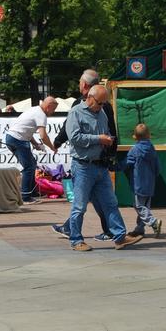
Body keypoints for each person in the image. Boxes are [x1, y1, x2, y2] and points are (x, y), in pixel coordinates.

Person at [66, 85, 142, 252]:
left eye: (104, 104)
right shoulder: (75, 112)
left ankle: (120, 237)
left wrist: (108, 139)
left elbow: (105, 131)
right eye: (100, 103)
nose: (102, 107)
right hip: (83, 166)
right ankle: (76, 240)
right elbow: (74, 137)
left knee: (110, 203)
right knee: (80, 206)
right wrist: (98, 139)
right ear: (90, 98)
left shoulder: (102, 113)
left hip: (101, 165)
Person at [52, 69, 116, 240]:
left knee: (92, 201)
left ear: (85, 85)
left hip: (95, 161)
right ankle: (72, 230)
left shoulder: (102, 107)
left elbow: (110, 132)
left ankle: (110, 231)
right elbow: (72, 130)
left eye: (80, 82)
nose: (79, 85)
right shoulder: (81, 107)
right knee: (86, 201)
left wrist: (58, 140)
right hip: (89, 160)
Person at [4, 95, 59, 204]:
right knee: (29, 167)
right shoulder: (41, 115)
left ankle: (32, 192)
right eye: (53, 109)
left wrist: (35, 144)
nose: (52, 112)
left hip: (12, 138)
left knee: (31, 164)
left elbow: (26, 130)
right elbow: (43, 136)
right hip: (18, 140)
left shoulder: (34, 109)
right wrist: (52, 147)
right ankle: (26, 196)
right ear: (48, 106)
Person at [124, 123, 162, 238]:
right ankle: (140, 229)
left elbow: (127, 163)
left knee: (138, 206)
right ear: (149, 135)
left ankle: (153, 222)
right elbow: (158, 167)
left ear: (135, 136)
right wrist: (155, 175)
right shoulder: (152, 148)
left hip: (138, 183)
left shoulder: (134, 150)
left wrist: (113, 167)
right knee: (145, 207)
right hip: (150, 183)